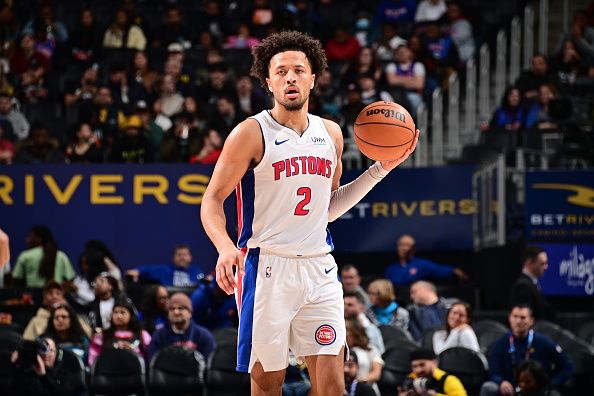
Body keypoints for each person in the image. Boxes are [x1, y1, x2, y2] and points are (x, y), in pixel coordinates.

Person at [200, 30, 418, 396]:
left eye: (299, 70)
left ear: (313, 78)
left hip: (319, 268)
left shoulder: (331, 133)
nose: (290, 77)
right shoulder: (250, 133)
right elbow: (212, 200)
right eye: (281, 71)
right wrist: (224, 247)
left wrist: (381, 168)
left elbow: (327, 209)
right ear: (268, 81)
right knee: (269, 385)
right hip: (268, 267)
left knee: (332, 386)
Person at [479, 305, 573, 396]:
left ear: (531, 320)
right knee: (488, 387)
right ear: (510, 319)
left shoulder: (544, 342)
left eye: (523, 317)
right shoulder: (500, 344)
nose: (518, 321)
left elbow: (567, 365)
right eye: (515, 317)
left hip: (538, 390)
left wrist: (551, 384)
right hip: (510, 390)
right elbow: (493, 372)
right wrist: (501, 382)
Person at [147, 292, 216, 362]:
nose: (176, 312)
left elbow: (210, 364)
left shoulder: (203, 336)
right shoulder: (159, 336)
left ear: (190, 313)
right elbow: (152, 363)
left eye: (181, 308)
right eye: (172, 309)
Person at [9, 336, 86, 396]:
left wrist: (43, 376)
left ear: (57, 353)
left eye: (51, 350)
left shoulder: (64, 372)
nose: (46, 354)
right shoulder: (28, 371)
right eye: (42, 349)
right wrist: (16, 367)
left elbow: (63, 394)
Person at [88, 297, 151, 366]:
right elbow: (93, 361)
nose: (119, 316)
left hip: (135, 374)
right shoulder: (101, 336)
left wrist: (133, 352)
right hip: (107, 374)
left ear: (131, 315)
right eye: (115, 312)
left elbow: (149, 359)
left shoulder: (142, 335)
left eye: (123, 312)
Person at [384, 234, 468, 286]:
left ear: (413, 249)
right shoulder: (391, 269)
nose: (404, 249)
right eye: (402, 245)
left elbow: (439, 270)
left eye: (408, 245)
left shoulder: (422, 264)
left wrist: (453, 271)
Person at [23, 281, 92, 341]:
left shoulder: (72, 317)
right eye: (50, 293)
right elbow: (26, 342)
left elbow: (88, 334)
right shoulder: (36, 321)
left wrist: (69, 309)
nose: (54, 296)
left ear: (63, 298)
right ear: (44, 300)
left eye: (58, 293)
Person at [510, 246, 556, 322]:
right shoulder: (523, 286)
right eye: (542, 263)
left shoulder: (532, 283)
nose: (546, 267)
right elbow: (523, 318)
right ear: (529, 262)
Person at [126, 244, 205, 287]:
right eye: (179, 255)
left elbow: (204, 282)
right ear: (173, 258)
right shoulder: (164, 270)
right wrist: (137, 271)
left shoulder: (197, 271)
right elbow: (147, 270)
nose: (182, 257)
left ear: (190, 257)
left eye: (184, 255)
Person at [399, 348, 467, 396]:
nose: (418, 370)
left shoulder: (448, 380)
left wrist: (434, 395)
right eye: (414, 366)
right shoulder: (411, 379)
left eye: (422, 365)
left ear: (434, 363)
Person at [345, 318, 384, 395]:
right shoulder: (342, 350)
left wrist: (359, 382)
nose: (344, 332)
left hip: (367, 389)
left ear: (355, 331)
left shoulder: (370, 349)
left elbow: (376, 373)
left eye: (347, 329)